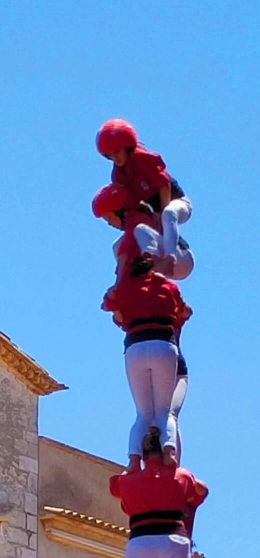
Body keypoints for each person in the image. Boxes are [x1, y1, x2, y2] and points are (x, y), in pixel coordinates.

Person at [102, 256, 191, 471]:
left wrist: (124, 314)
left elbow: (108, 303)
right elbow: (185, 311)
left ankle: (133, 460)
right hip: (163, 343)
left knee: (143, 413)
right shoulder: (168, 286)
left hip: (135, 345)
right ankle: (169, 451)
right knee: (163, 411)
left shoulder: (126, 289)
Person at [96, 119, 192, 271]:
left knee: (169, 214)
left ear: (127, 147)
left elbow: (163, 185)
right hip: (153, 212)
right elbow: (130, 204)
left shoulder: (143, 158)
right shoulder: (118, 175)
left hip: (175, 202)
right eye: (110, 155)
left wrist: (160, 213)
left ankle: (170, 258)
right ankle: (132, 275)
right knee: (120, 244)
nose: (116, 158)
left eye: (117, 152)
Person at [110, 428, 208, 557]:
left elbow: (113, 487)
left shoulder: (127, 481)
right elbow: (202, 490)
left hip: (140, 541)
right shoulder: (181, 476)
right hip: (174, 538)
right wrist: (174, 465)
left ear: (143, 455)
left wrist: (132, 464)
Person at [92, 183, 194, 281]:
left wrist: (121, 273)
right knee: (117, 245)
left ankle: (152, 262)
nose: (109, 223)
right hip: (174, 263)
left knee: (139, 230)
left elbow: (127, 245)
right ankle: (141, 276)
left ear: (120, 211)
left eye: (109, 218)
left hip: (180, 257)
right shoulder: (134, 221)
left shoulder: (138, 217)